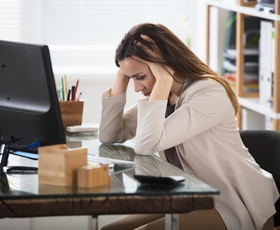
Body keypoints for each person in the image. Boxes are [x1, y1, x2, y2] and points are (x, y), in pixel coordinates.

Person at [99, 23, 279, 230]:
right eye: (132, 79)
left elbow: (146, 145)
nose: (137, 88)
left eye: (140, 77)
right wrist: (122, 75)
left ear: (164, 63)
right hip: (187, 195)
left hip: (230, 201)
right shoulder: (163, 97)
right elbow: (109, 135)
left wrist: (164, 80)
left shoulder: (208, 93)